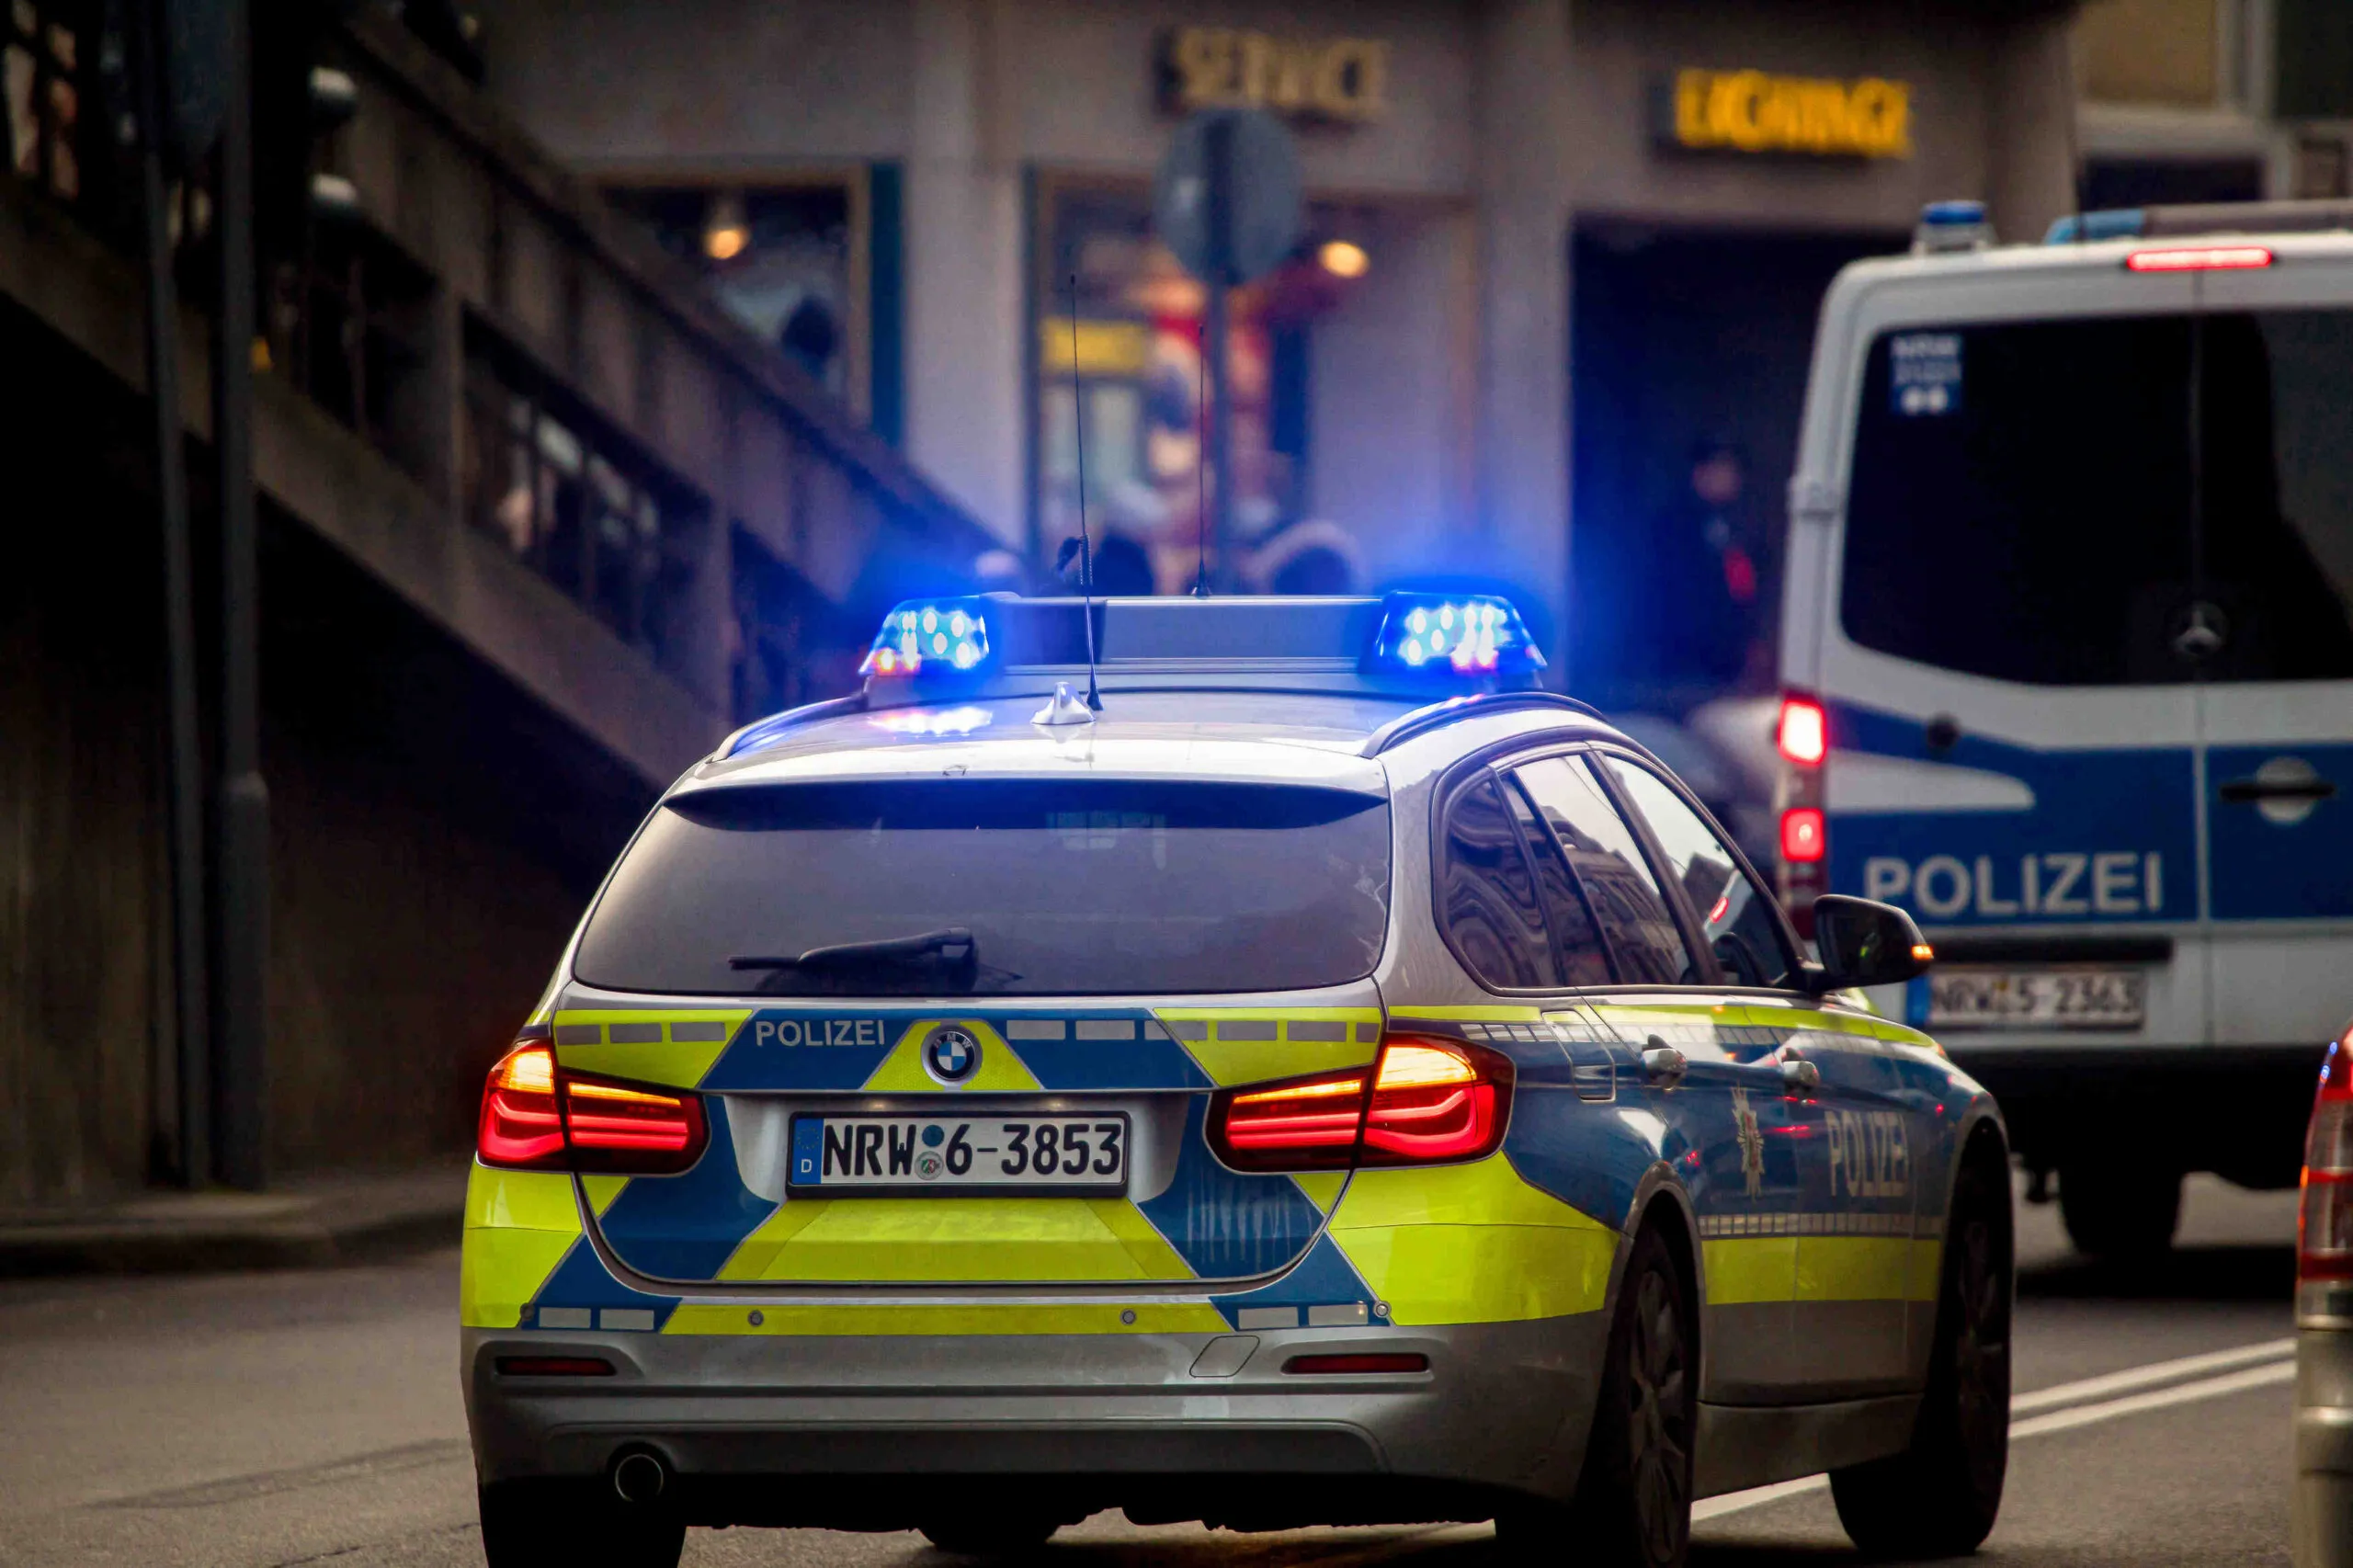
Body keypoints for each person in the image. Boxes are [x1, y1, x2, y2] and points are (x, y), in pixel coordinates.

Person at [1636, 438, 1763, 697]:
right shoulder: (1674, 525)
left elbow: (1741, 586)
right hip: (1684, 658)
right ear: (1701, 473)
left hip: (1724, 658)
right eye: (1724, 470)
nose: (1732, 480)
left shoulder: (1732, 521)